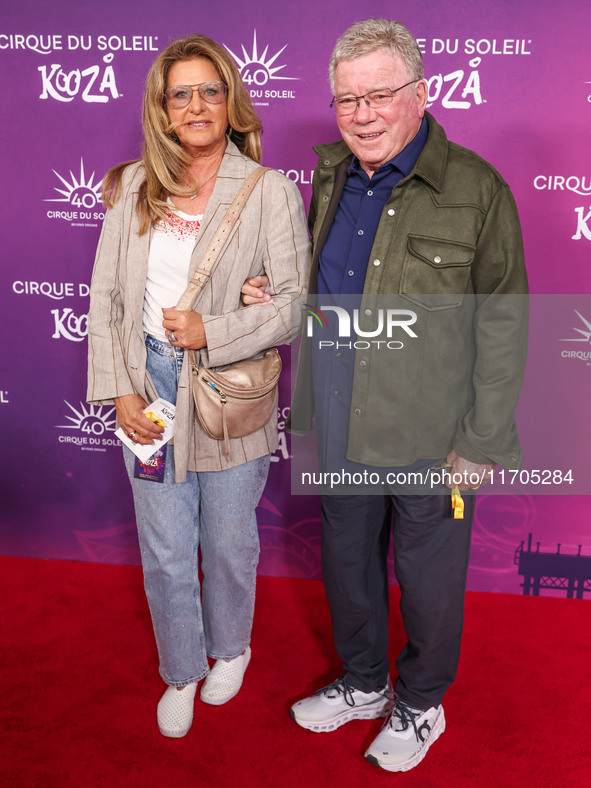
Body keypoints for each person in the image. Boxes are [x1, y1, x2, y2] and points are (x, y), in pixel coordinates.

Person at [242, 18, 527, 772]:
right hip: (338, 420)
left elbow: (503, 323)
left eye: (377, 96)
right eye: (345, 99)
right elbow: (338, 284)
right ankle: (366, 683)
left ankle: (419, 702)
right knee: (346, 565)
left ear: (420, 94)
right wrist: (277, 290)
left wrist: (481, 441)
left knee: (429, 582)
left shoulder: (474, 187)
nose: (361, 113)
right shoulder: (331, 174)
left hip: (433, 434)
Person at [87, 34, 310, 739]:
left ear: (230, 100)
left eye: (209, 91)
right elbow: (106, 300)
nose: (196, 105)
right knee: (163, 542)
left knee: (227, 538)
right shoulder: (130, 187)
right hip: (149, 382)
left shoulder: (268, 190)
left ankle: (231, 648)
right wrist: (120, 388)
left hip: (229, 390)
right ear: (161, 106)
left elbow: (292, 303)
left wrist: (212, 329)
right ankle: (181, 668)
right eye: (180, 93)